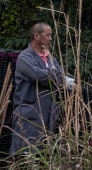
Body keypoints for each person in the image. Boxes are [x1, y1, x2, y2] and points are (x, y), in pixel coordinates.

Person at [10, 22, 72, 153]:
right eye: (48, 35)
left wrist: (55, 75)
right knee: (26, 152)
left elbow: (61, 78)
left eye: (51, 36)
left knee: (44, 155)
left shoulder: (50, 59)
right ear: (36, 35)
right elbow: (39, 76)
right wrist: (55, 75)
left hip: (49, 114)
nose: (50, 39)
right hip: (29, 113)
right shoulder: (24, 57)